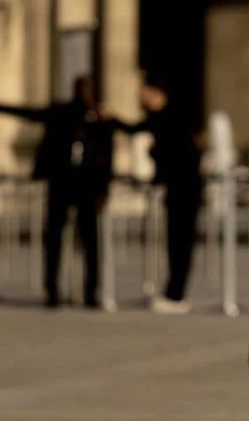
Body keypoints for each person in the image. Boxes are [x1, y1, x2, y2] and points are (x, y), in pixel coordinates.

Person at [0, 75, 115, 309]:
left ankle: (91, 291)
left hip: (88, 186)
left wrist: (103, 189)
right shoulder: (61, 112)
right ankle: (52, 290)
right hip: (62, 182)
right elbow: (30, 114)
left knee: (90, 241)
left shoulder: (101, 120)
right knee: (54, 238)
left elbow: (107, 157)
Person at [115, 79, 203, 315]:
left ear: (156, 92)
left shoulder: (168, 119)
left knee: (180, 242)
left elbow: (168, 152)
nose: (140, 98)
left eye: (143, 93)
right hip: (181, 189)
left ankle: (177, 294)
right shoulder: (167, 118)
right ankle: (174, 291)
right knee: (177, 242)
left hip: (183, 189)